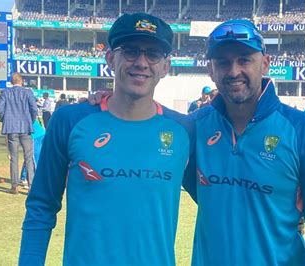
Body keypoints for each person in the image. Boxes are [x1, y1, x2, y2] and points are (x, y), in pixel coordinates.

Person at [19, 13, 195, 265]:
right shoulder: (69, 121)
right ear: (111, 58)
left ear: (165, 66)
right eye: (131, 52)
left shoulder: (184, 129)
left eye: (153, 54)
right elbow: (41, 207)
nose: (141, 62)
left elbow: (220, 197)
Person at [187, 20, 305, 265]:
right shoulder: (192, 128)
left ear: (265, 63)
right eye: (223, 62)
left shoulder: (303, 131)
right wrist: (104, 103)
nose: (234, 71)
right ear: (211, 70)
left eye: (244, 59)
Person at [0, 73, 38, 194]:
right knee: (29, 157)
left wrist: (5, 119)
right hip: (25, 127)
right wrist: (31, 120)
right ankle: (31, 186)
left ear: (11, 82)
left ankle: (14, 187)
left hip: (11, 128)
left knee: (14, 158)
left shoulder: (6, 92)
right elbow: (34, 109)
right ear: (22, 81)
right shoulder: (28, 92)